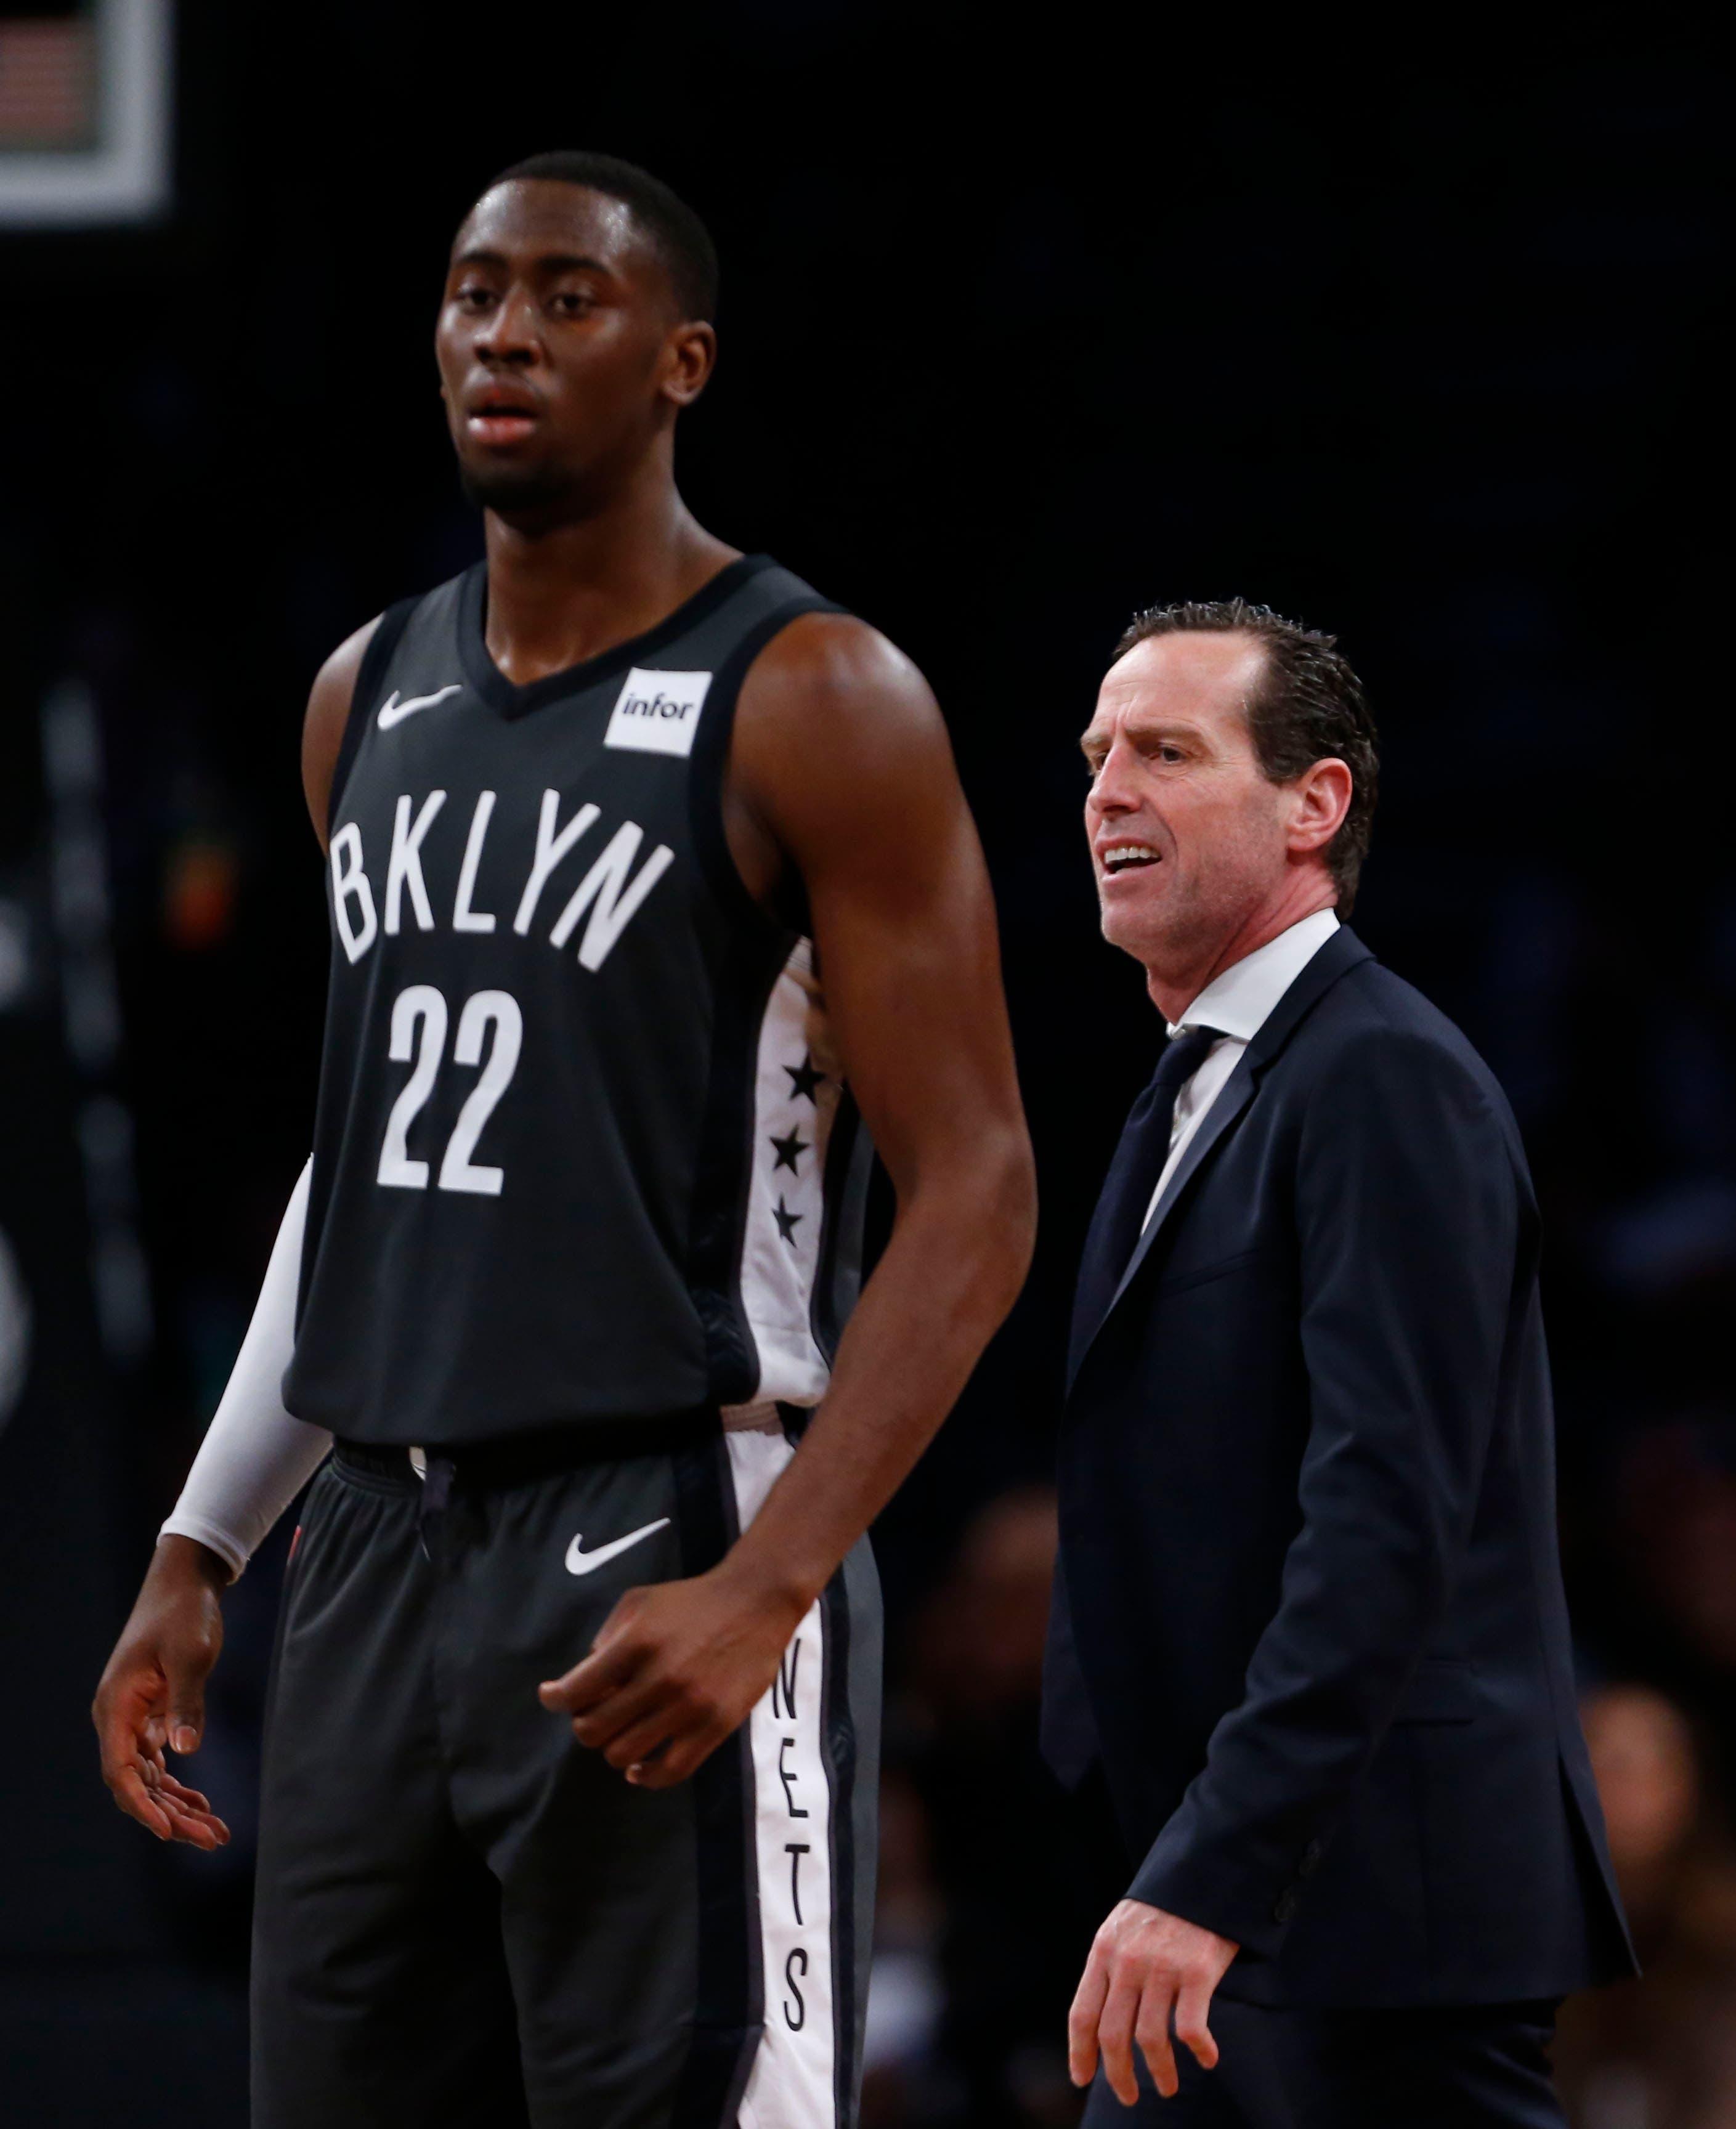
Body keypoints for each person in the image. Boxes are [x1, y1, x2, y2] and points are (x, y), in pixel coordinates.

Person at [92, 152, 1035, 2129]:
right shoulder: (368, 693)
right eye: (470, 292)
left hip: (664, 1518)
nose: (502, 332)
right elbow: (362, 1172)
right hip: (368, 1545)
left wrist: (776, 1581)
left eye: (565, 297)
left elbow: (979, 1187)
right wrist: (202, 1543)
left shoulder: (817, 695)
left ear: (682, 361)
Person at [1042, 599, 1634, 2125]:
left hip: (1368, 1913)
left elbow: (1385, 1521)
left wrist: (1212, 1871)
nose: (1107, 787)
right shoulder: (1201, 1084)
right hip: (1237, 1895)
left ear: (1315, 804)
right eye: (1099, 753)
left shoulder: (1378, 1075)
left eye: (1166, 751)